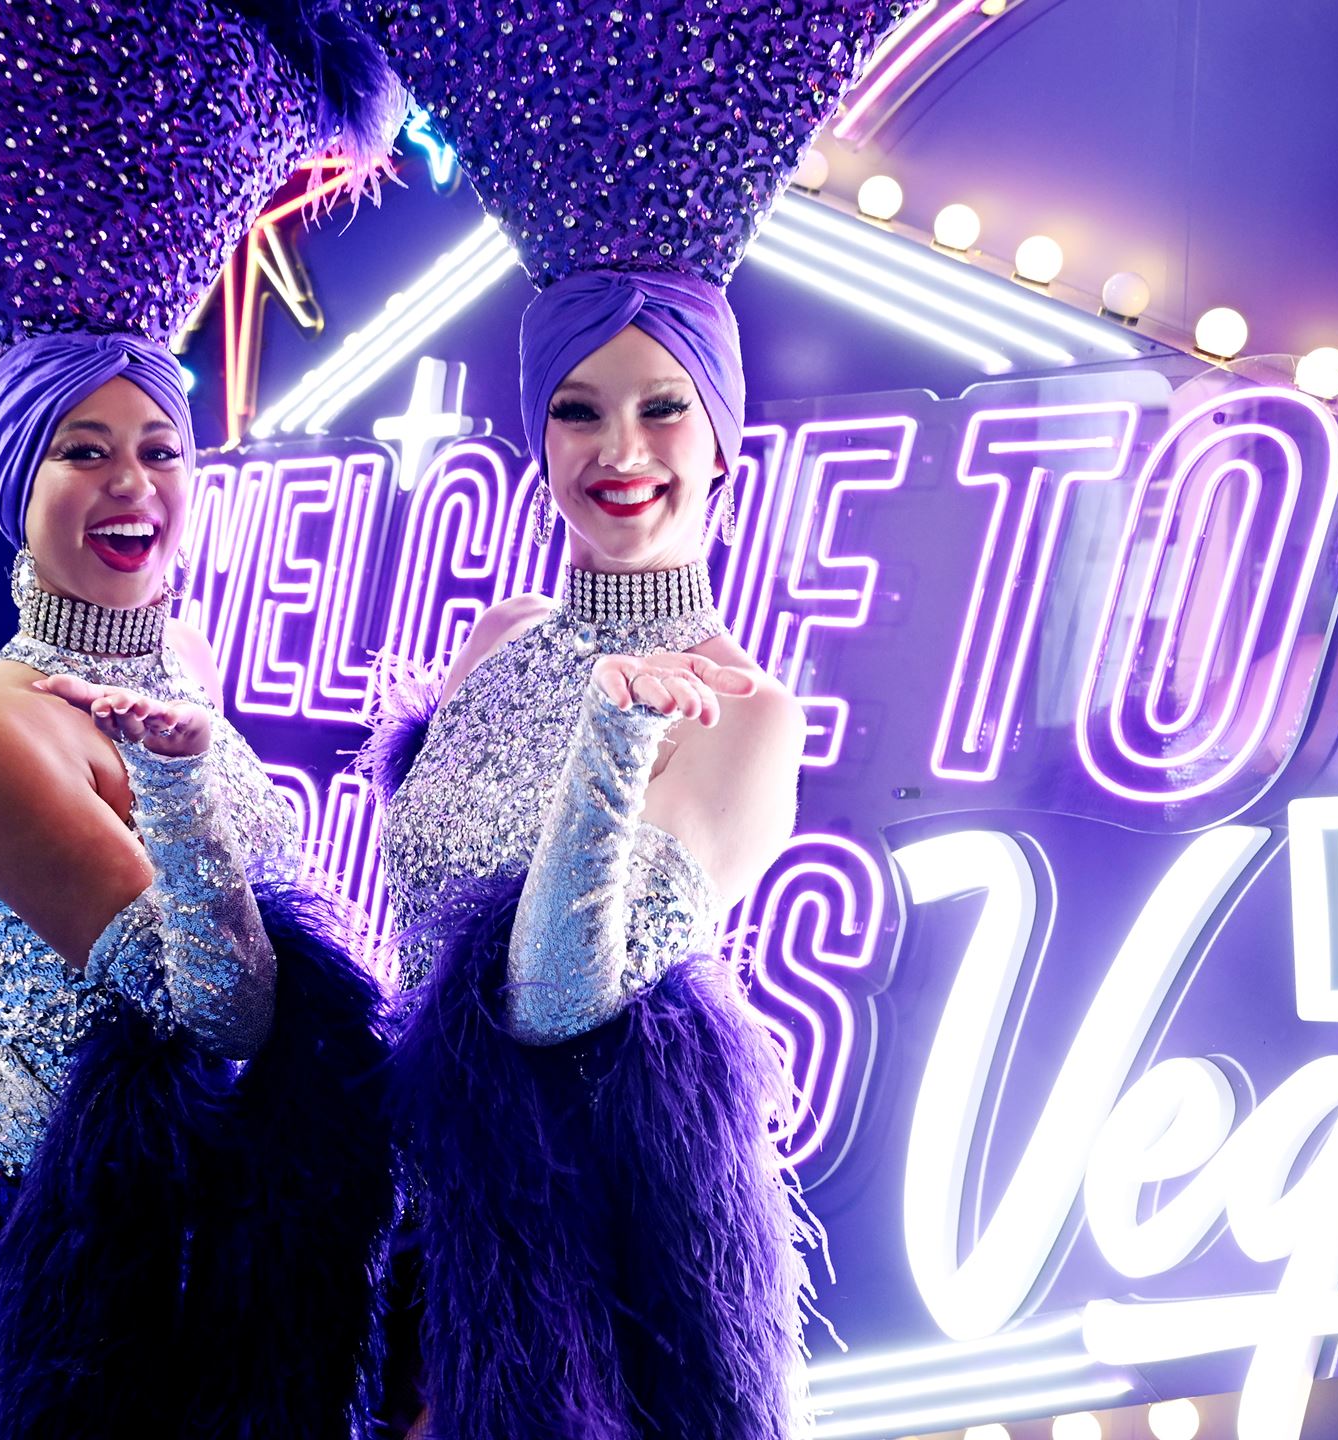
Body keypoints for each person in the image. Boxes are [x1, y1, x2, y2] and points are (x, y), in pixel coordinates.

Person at [352, 2, 906, 1435]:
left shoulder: (747, 712)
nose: (622, 453)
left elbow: (555, 996)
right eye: (579, 411)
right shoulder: (501, 634)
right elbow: (414, 925)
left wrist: (616, 743)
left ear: (725, 437)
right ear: (536, 434)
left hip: (573, 1280)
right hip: (404, 1231)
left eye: (663, 409)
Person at [0, 3, 401, 1436]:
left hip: (166, 1202)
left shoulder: (178, 660)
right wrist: (176, 780)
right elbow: (216, 1001)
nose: (132, 484)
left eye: (160, 443)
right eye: (81, 451)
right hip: (1, 1222)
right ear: (15, 491)